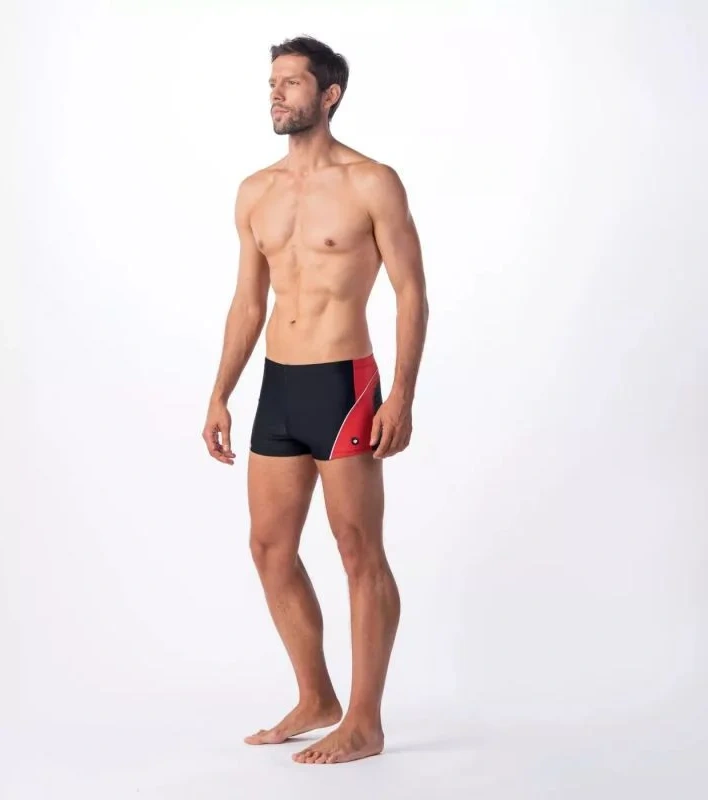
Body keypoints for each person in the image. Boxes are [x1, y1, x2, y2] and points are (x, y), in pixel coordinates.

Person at [201, 35, 429, 765]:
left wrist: (401, 394)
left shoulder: (372, 182)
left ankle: (364, 720)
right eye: (272, 81)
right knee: (270, 549)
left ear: (328, 95)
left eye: (292, 82)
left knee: (359, 550)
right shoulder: (255, 191)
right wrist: (220, 394)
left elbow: (412, 292)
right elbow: (247, 303)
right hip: (278, 385)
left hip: (343, 384)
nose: (276, 93)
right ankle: (317, 697)